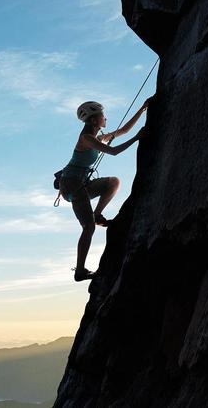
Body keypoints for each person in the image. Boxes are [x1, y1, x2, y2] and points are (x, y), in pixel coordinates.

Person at [59, 99, 149, 281]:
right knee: (88, 227)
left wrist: (143, 108)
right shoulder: (87, 139)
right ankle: (80, 271)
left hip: (81, 183)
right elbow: (114, 151)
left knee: (113, 182)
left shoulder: (96, 137)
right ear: (94, 120)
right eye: (102, 115)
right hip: (71, 184)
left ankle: (97, 214)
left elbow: (123, 131)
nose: (105, 118)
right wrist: (138, 138)